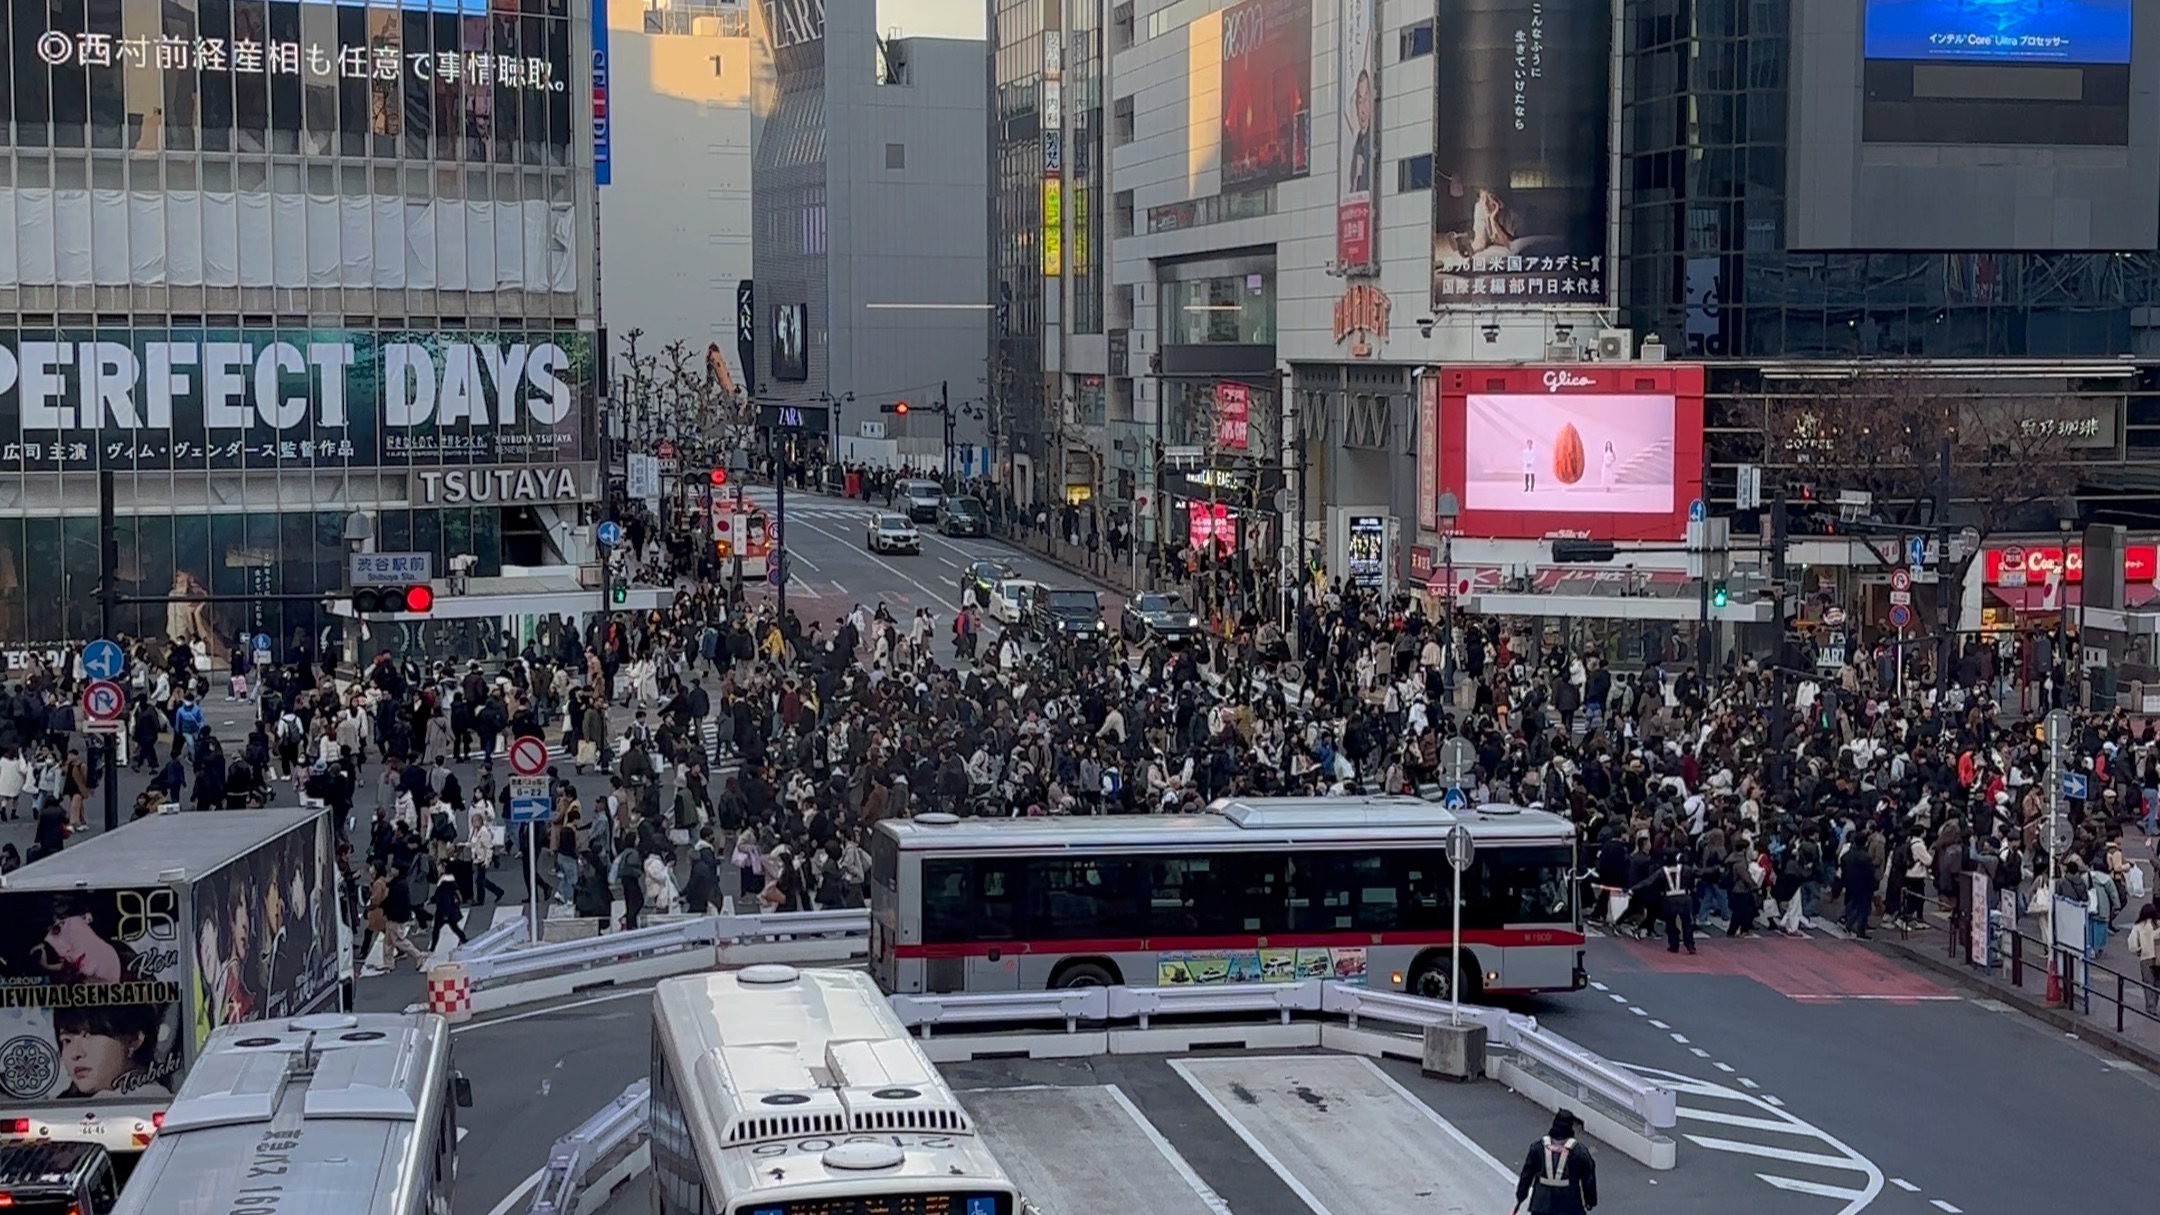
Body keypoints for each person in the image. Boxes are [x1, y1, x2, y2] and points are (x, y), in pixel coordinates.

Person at [1512, 1109, 1596, 1215]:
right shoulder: (1579, 1152)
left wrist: (1521, 1196)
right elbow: (1588, 1179)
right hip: (1569, 1205)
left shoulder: (1538, 1147)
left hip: (1541, 1204)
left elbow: (1526, 1175)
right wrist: (1590, 1201)